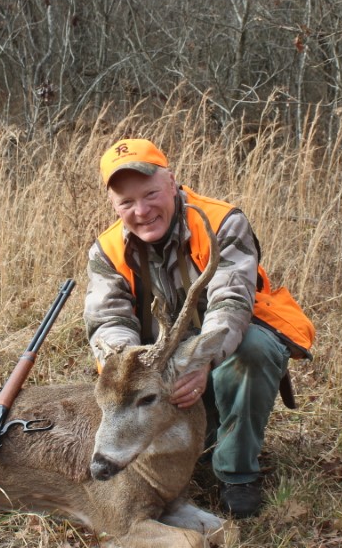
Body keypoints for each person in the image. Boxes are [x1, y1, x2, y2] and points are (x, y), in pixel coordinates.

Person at [84, 138, 315, 518]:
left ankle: (237, 473)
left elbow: (231, 303)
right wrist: (130, 364)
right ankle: (186, 452)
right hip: (158, 364)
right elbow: (108, 320)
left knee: (255, 350)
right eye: (127, 203)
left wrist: (199, 363)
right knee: (120, 390)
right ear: (114, 205)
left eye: (151, 194)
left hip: (222, 349)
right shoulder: (107, 250)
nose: (141, 211)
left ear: (172, 182)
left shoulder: (222, 222)